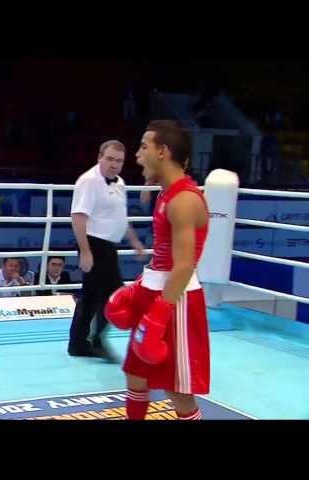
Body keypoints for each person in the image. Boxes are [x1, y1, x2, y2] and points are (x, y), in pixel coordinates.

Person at [105, 120, 210, 420]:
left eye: (143, 146)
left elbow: (184, 265)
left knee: (177, 389)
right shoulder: (166, 194)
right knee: (136, 373)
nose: (136, 155)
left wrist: (158, 313)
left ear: (163, 151)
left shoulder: (184, 199)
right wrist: (139, 286)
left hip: (175, 299)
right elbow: (163, 258)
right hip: (156, 290)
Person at [68, 140, 145, 359]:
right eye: (110, 159)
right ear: (99, 157)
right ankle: (87, 342)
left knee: (105, 296)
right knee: (104, 296)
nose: (114, 164)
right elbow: (78, 216)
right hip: (93, 243)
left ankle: (87, 341)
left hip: (108, 246)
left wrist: (135, 241)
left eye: (119, 160)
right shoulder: (88, 181)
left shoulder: (120, 183)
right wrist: (85, 251)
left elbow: (120, 217)